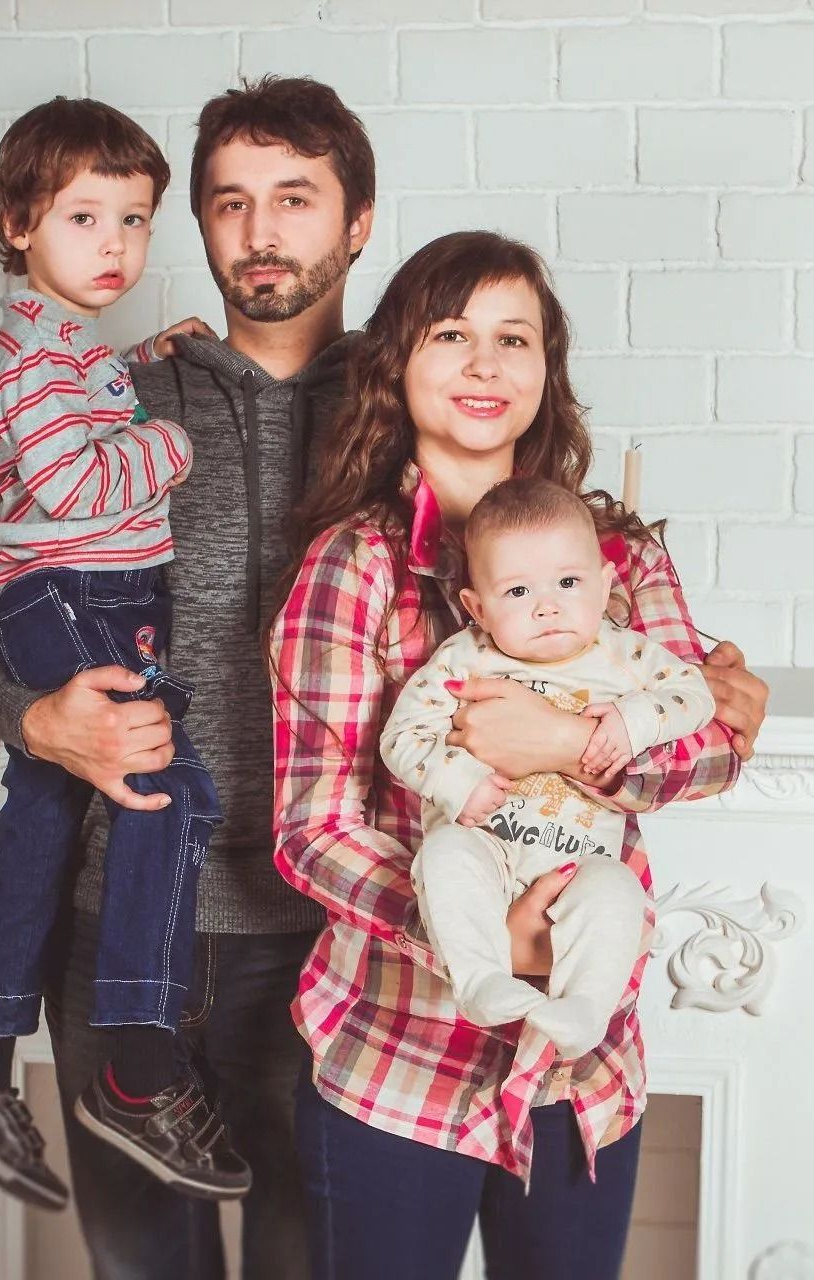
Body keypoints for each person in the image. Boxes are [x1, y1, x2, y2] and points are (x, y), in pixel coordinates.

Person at [0, 76, 375, 1278]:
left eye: (294, 198)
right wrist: (35, 717)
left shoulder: (408, 405)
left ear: (358, 221)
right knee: (142, 1265)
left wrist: (694, 659)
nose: (260, 230)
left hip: (325, 930)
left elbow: (528, 574)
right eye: (229, 202)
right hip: (126, 918)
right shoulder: (121, 390)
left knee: (313, 1257)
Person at [269, 230, 764, 1280]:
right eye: (451, 335)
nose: (484, 365)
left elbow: (712, 745)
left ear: (548, 371)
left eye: (513, 339)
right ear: (398, 363)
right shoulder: (351, 565)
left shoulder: (614, 554)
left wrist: (572, 743)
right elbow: (311, 827)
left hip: (582, 1066)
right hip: (399, 1051)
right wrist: (480, 933)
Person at [0, 95, 251, 1208]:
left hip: (78, 591)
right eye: (83, 218)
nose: (114, 245)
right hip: (72, 599)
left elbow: (75, 414)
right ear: (17, 223)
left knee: (43, 829)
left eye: (134, 221)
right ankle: (135, 1071)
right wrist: (170, 439)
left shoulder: (68, 347)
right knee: (168, 797)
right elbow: (72, 480)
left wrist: (142, 362)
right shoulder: (30, 355)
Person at [380, 475, 715, 1059]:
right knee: (444, 858)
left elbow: (696, 696)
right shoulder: (463, 659)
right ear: (476, 608)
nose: (547, 605)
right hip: (486, 846)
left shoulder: (625, 654)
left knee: (617, 892)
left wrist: (634, 721)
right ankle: (481, 979)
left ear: (606, 585)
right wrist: (457, 781)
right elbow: (401, 737)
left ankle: (584, 1008)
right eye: (517, 593)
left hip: (576, 861)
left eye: (568, 582)